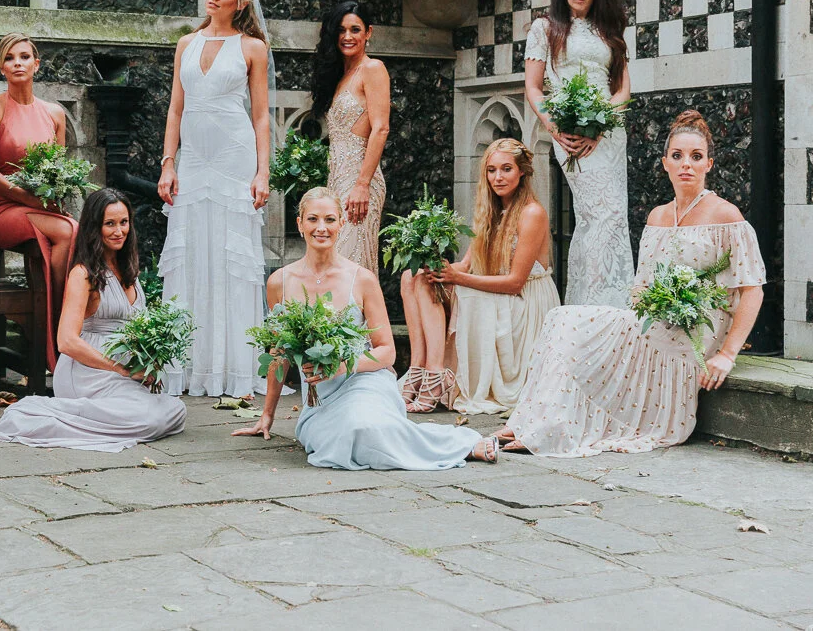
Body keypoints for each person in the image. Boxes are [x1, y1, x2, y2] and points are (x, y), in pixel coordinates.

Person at [496, 111, 765, 456]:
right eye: (678, 156)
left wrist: (727, 355)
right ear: (665, 163)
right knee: (561, 318)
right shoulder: (657, 216)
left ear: (709, 164)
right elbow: (642, 285)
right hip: (653, 319)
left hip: (697, 330)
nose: (687, 165)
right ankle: (529, 421)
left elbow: (752, 289)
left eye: (696, 157)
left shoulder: (727, 215)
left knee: (580, 330)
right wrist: (647, 307)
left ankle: (544, 429)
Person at [233, 188, 497, 469]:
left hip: (365, 381)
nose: (321, 228)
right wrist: (267, 416)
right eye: (313, 219)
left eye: (330, 220)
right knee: (342, 438)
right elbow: (278, 353)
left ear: (341, 224)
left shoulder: (362, 279)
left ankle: (459, 446)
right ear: (299, 224)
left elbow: (386, 353)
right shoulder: (279, 282)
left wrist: (342, 365)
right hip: (319, 397)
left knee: (364, 426)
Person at [0, 188, 186, 451]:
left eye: (124, 222)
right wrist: (123, 370)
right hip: (87, 372)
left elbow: (141, 329)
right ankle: (54, 413)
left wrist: (149, 365)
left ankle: (103, 415)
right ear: (95, 228)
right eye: (110, 224)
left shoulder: (130, 271)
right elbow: (66, 341)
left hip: (123, 374)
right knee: (153, 418)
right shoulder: (83, 274)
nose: (119, 231)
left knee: (175, 411)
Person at [157, 0, 270, 398]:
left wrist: (262, 172)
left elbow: (260, 115)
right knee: (190, 250)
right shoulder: (186, 42)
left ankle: (234, 369)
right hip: (194, 158)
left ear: (241, 2)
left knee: (231, 256)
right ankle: (186, 364)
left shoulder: (252, 47)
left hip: (233, 155)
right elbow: (174, 110)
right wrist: (169, 163)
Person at [399, 139, 560, 414]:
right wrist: (435, 268)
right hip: (497, 293)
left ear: (522, 171)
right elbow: (466, 265)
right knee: (412, 277)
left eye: (506, 169)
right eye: (491, 170)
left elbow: (514, 283)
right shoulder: (491, 211)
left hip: (523, 303)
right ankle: (419, 369)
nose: (498, 177)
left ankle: (437, 376)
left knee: (444, 287)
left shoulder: (532, 212)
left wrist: (456, 278)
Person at [525, 0, 633, 307]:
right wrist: (555, 128)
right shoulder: (545, 28)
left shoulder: (610, 29)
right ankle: (593, 307)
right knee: (598, 212)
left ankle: (606, 305)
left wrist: (602, 125)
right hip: (569, 134)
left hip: (609, 134)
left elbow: (622, 90)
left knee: (612, 214)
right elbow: (534, 87)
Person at [0, 33, 77, 371]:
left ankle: (63, 320)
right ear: (1, 67)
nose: (17, 63)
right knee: (69, 230)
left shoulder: (55, 114)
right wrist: (27, 197)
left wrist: (48, 196)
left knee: (74, 230)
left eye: (23, 57)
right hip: (0, 208)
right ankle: (62, 323)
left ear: (37, 64)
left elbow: (58, 172)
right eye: (9, 58)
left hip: (40, 207)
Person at [311, 1, 390, 272]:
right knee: (333, 263)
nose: (347, 36)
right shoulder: (342, 75)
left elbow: (381, 128)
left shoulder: (373, 68)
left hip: (360, 181)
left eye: (355, 29)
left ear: (368, 32)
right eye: (341, 30)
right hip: (337, 180)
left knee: (351, 262)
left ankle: (358, 316)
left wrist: (362, 185)